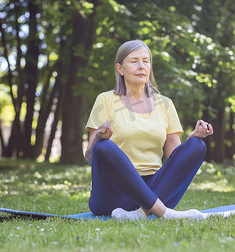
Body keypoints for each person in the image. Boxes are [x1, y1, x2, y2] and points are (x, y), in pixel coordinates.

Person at [84, 40, 214, 220]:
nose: (141, 66)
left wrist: (192, 139)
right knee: (103, 147)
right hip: (113, 195)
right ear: (120, 68)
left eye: (146, 61)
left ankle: (141, 213)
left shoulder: (165, 104)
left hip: (158, 189)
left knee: (196, 146)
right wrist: (99, 137)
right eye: (134, 61)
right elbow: (91, 156)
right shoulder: (105, 100)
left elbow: (175, 157)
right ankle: (163, 213)